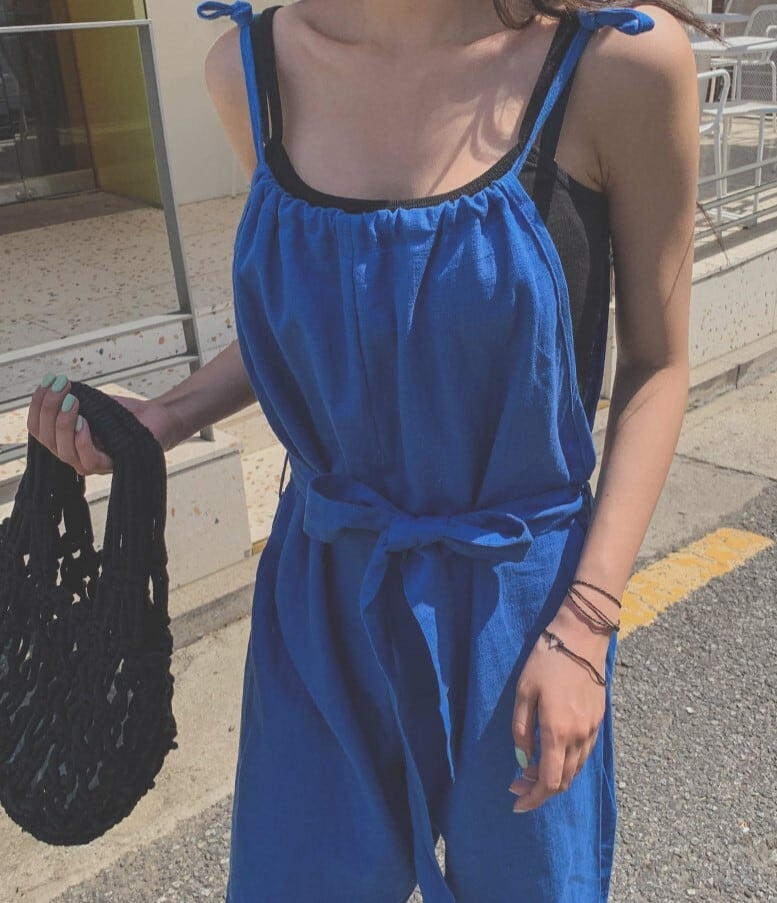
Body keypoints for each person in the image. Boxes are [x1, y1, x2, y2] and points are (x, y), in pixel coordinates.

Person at [27, 0, 704, 898]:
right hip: (322, 591)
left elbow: (657, 366)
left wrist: (584, 626)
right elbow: (334, 312)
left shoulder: (616, 63)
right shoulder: (250, 70)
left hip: (523, 604)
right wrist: (170, 412)